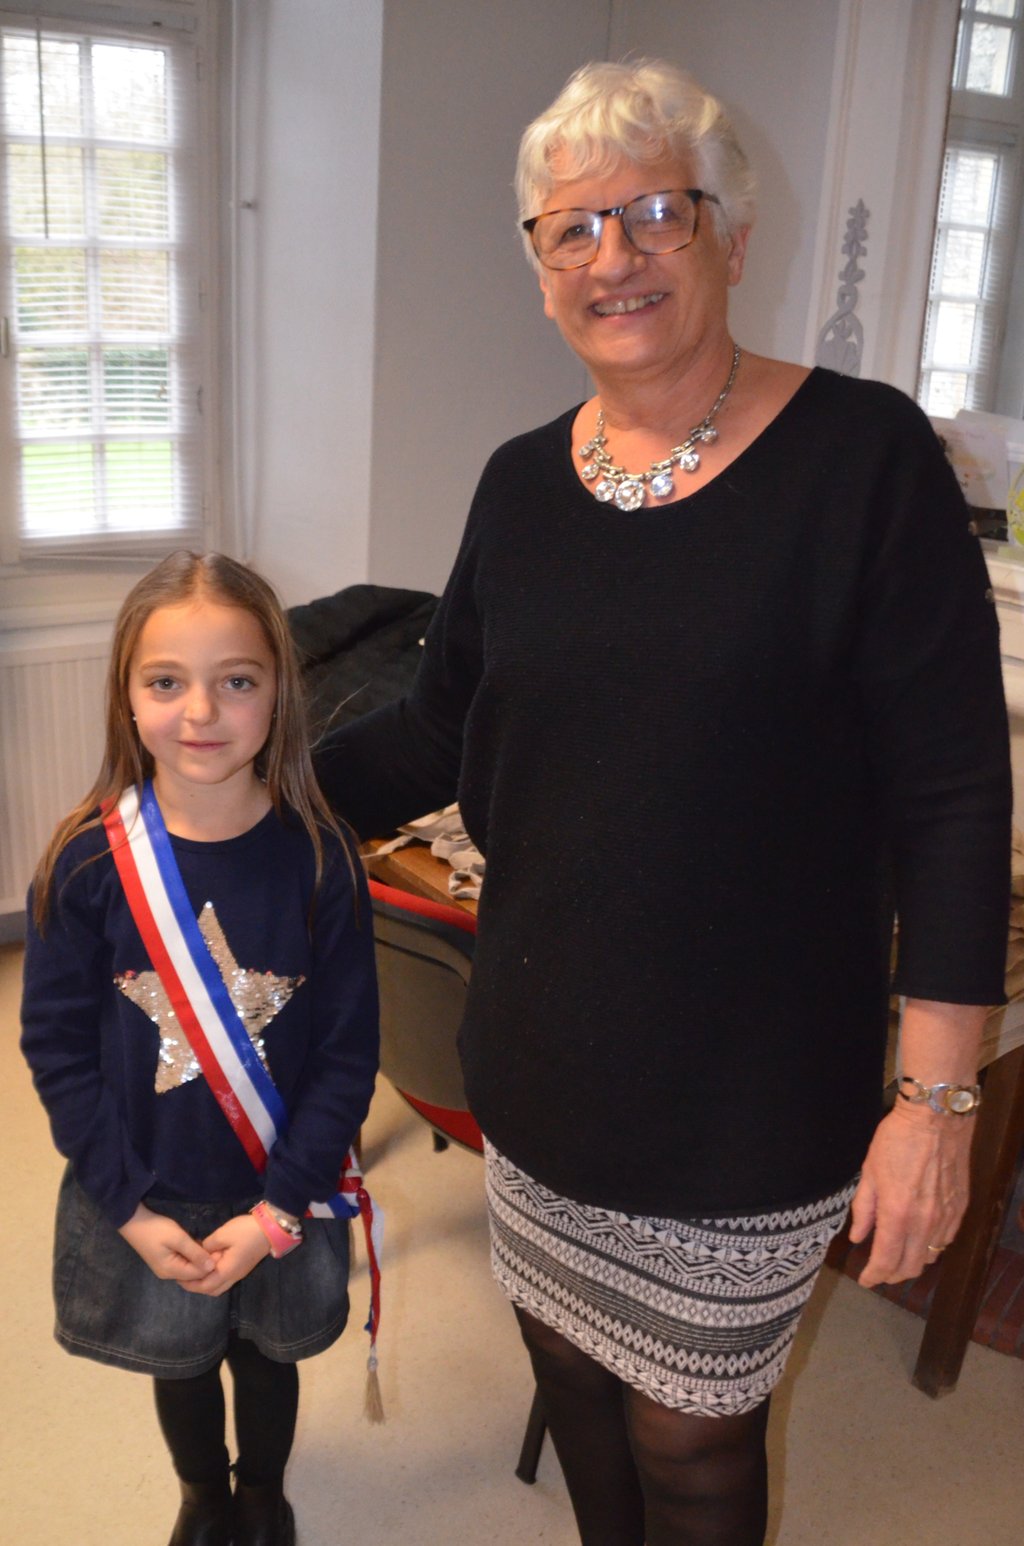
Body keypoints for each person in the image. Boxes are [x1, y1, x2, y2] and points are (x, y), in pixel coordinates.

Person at [314, 59, 1012, 1546]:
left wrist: (936, 1103)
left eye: (655, 213)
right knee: (572, 1377)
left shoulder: (864, 459)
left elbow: (956, 797)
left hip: (749, 1095)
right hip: (540, 1060)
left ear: (731, 237)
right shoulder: (519, 484)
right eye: (570, 227)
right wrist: (246, 792)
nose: (611, 255)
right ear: (538, 268)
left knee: (693, 1437)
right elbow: (439, 730)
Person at [21, 552, 379, 1546]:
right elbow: (57, 1048)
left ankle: (261, 1493)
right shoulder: (86, 862)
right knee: (176, 1359)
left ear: (279, 690)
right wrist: (125, 1207)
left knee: (269, 1354)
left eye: (238, 680)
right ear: (126, 696)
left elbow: (348, 1054)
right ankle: (201, 1495)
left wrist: (279, 1208)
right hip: (148, 1185)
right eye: (166, 680)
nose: (202, 711)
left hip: (281, 1182)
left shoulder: (323, 857)